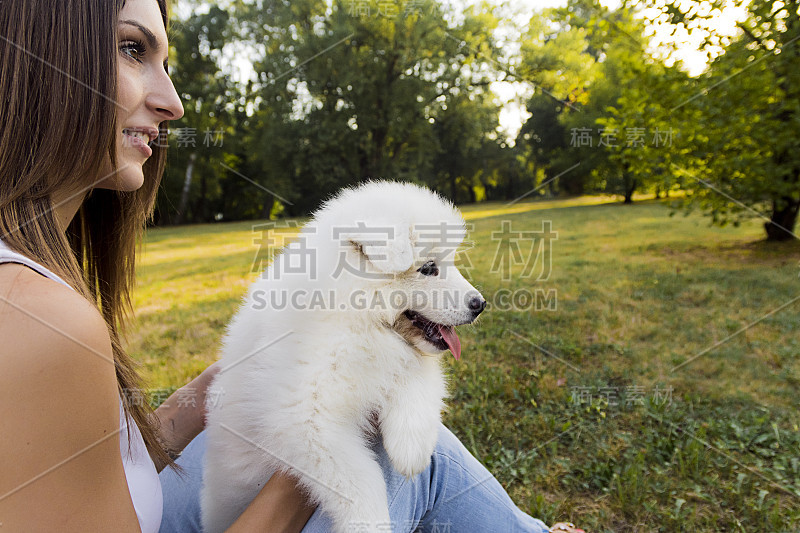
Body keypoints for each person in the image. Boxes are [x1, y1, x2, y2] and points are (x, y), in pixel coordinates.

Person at [0, 1, 583, 532]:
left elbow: (80, 467)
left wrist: (212, 392)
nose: (173, 102)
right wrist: (322, 452)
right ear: (38, 62)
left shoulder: (28, 281)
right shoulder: (39, 319)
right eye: (133, 50)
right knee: (399, 458)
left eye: (164, 60)